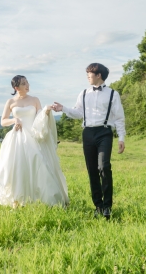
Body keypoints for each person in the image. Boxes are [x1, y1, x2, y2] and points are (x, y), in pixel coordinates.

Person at [51, 63, 125, 220]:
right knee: (92, 170)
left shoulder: (113, 94)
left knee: (104, 167)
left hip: (104, 132)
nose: (87, 77)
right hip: (88, 133)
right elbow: (78, 113)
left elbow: (119, 117)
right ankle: (98, 206)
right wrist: (63, 108)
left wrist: (121, 137)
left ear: (98, 75)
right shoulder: (83, 93)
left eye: (89, 74)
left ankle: (107, 206)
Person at [0, 75, 69, 207]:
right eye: (23, 83)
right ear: (16, 87)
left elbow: (39, 117)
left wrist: (46, 111)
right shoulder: (10, 102)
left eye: (27, 82)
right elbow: (3, 121)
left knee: (39, 163)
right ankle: (17, 199)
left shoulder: (35, 100)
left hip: (33, 136)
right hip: (17, 138)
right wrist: (14, 120)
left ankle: (45, 199)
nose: (27, 85)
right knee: (17, 167)